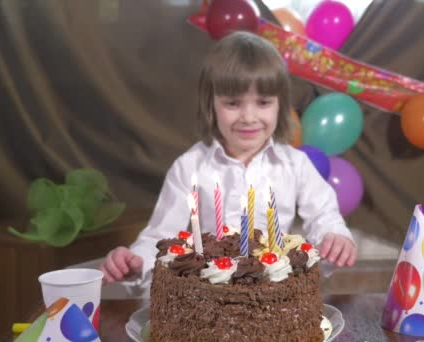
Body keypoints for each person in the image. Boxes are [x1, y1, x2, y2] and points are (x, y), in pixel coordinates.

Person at [100, 31, 357, 286]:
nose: (248, 116)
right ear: (210, 104)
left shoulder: (295, 165)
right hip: (208, 296)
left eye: (263, 102)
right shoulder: (189, 167)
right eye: (233, 103)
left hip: (275, 294)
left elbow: (325, 217)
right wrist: (135, 263)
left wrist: (334, 238)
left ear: (281, 104)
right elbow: (159, 236)